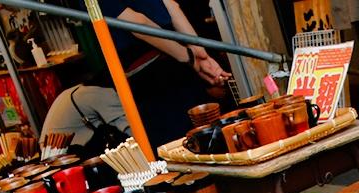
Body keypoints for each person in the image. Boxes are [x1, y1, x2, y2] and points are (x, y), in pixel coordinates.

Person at [96, 1, 232, 144]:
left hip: (153, 77)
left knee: (178, 147)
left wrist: (190, 56)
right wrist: (198, 52)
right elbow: (172, 6)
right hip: (179, 63)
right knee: (209, 139)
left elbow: (138, 23)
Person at [41, 83, 129, 157]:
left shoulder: (75, 93)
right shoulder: (97, 93)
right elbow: (129, 127)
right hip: (63, 156)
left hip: (49, 154)